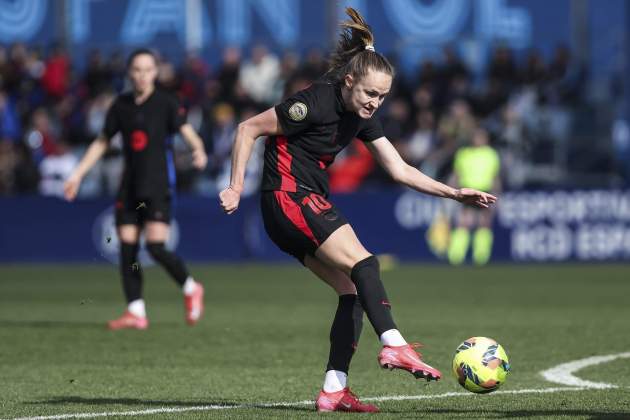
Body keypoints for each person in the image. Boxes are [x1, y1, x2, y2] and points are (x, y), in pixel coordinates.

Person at [219, 8, 496, 413]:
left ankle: (335, 389)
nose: (375, 102)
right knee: (366, 264)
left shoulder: (362, 114)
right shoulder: (314, 101)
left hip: (296, 205)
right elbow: (248, 128)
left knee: (351, 291)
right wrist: (235, 185)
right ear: (349, 81)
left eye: (382, 96)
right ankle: (395, 345)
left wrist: (454, 193)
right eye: (369, 93)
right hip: (288, 197)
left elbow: (399, 169)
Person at [64, 49, 208, 330]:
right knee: (127, 250)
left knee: (155, 247)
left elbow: (187, 132)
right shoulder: (121, 105)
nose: (142, 75)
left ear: (155, 72)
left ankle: (191, 287)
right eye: (137, 70)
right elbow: (103, 141)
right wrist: (78, 174)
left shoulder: (166, 102)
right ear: (130, 73)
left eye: (147, 69)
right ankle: (136, 311)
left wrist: (199, 150)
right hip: (129, 187)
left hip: (157, 185)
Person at [448, 127, 501, 265]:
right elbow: (456, 174)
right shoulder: (464, 153)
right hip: (468, 191)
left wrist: (497, 194)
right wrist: (451, 192)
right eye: (476, 137)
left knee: (484, 223)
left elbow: (495, 177)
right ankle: (456, 256)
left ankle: (481, 256)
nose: (478, 139)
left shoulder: (491, 154)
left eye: (481, 137)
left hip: (485, 190)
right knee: (464, 222)